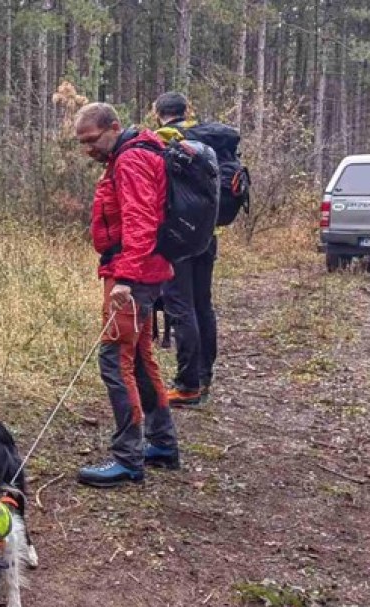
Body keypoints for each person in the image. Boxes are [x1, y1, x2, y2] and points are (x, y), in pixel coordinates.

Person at [74, 102, 180, 488]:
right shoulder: (129, 154)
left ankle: (127, 458)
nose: (88, 149)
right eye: (81, 143)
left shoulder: (132, 160)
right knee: (138, 358)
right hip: (141, 272)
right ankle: (163, 445)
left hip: (133, 276)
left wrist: (125, 279)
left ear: (113, 127)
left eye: (91, 139)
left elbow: (141, 221)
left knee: (115, 360)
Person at [154, 91, 218, 406]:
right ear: (186, 111)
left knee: (180, 307)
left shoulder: (166, 139)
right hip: (207, 235)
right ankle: (204, 377)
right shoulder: (209, 140)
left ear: (158, 113)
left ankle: (187, 385)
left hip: (178, 240)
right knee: (203, 304)